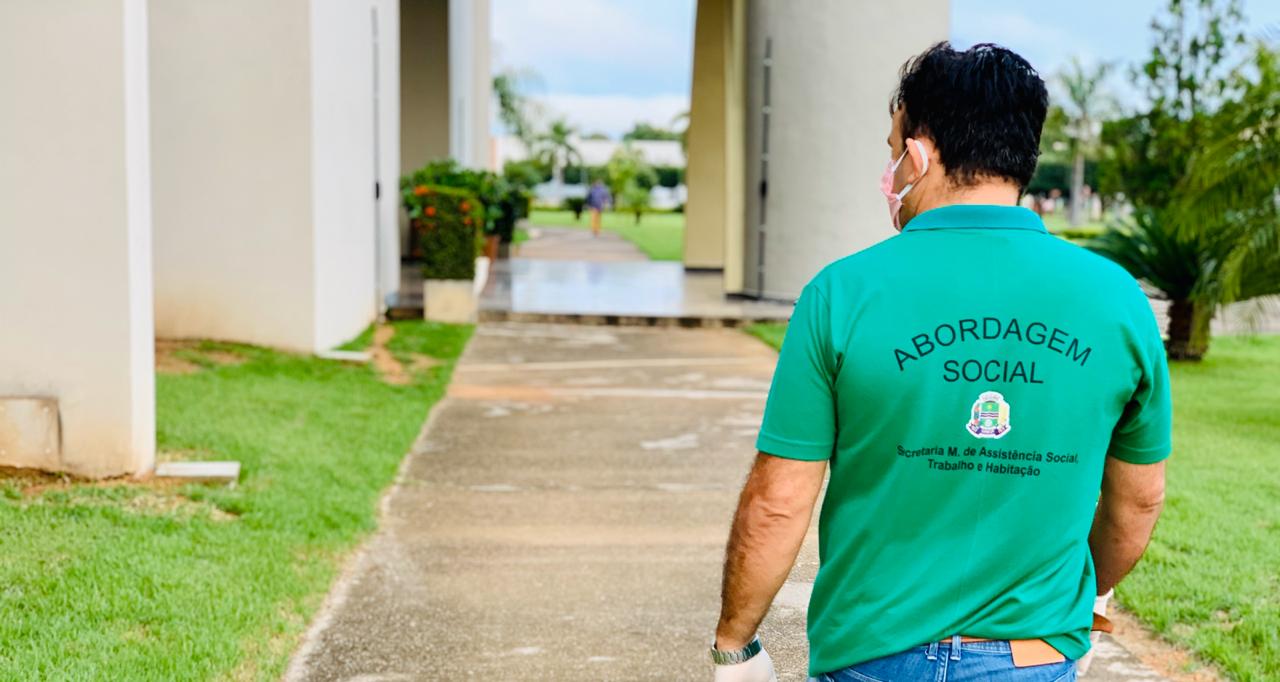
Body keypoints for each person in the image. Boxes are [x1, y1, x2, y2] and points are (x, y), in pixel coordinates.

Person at [711, 42, 1170, 682]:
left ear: (919, 153)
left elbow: (778, 501)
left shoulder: (841, 294)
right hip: (1032, 656)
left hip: (871, 653)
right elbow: (1139, 502)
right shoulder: (1118, 300)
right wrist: (1083, 601)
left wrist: (735, 644)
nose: (891, 170)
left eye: (892, 148)